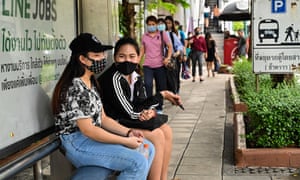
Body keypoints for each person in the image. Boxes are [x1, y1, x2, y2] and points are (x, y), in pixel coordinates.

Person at [51, 33, 155, 179]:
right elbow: (89, 130)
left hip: (89, 139)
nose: (102, 58)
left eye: (102, 54)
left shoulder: (91, 82)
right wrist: (125, 141)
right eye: (96, 55)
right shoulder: (75, 86)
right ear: (83, 59)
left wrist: (128, 132)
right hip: (77, 143)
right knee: (137, 162)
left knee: (147, 147)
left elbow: (103, 118)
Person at [99, 37, 183, 180]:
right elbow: (131, 112)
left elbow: (143, 103)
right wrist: (160, 96)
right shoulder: (113, 78)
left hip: (128, 120)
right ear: (114, 58)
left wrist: (150, 112)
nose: (127, 61)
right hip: (114, 124)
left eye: (132, 56)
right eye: (121, 56)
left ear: (139, 58)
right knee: (157, 135)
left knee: (166, 131)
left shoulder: (136, 76)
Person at [140, 15, 173, 114]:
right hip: (147, 66)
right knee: (148, 85)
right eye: (149, 25)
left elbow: (170, 46)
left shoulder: (162, 34)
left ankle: (159, 108)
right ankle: (150, 106)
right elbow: (142, 51)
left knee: (161, 87)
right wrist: (136, 63)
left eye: (153, 24)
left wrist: (168, 58)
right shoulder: (144, 36)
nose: (151, 26)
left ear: (156, 25)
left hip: (160, 65)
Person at [165, 16, 185, 93]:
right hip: (165, 58)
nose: (167, 25)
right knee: (167, 77)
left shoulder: (175, 33)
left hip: (174, 58)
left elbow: (181, 45)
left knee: (175, 76)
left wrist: (178, 53)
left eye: (169, 23)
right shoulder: (161, 34)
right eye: (166, 23)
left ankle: (175, 91)